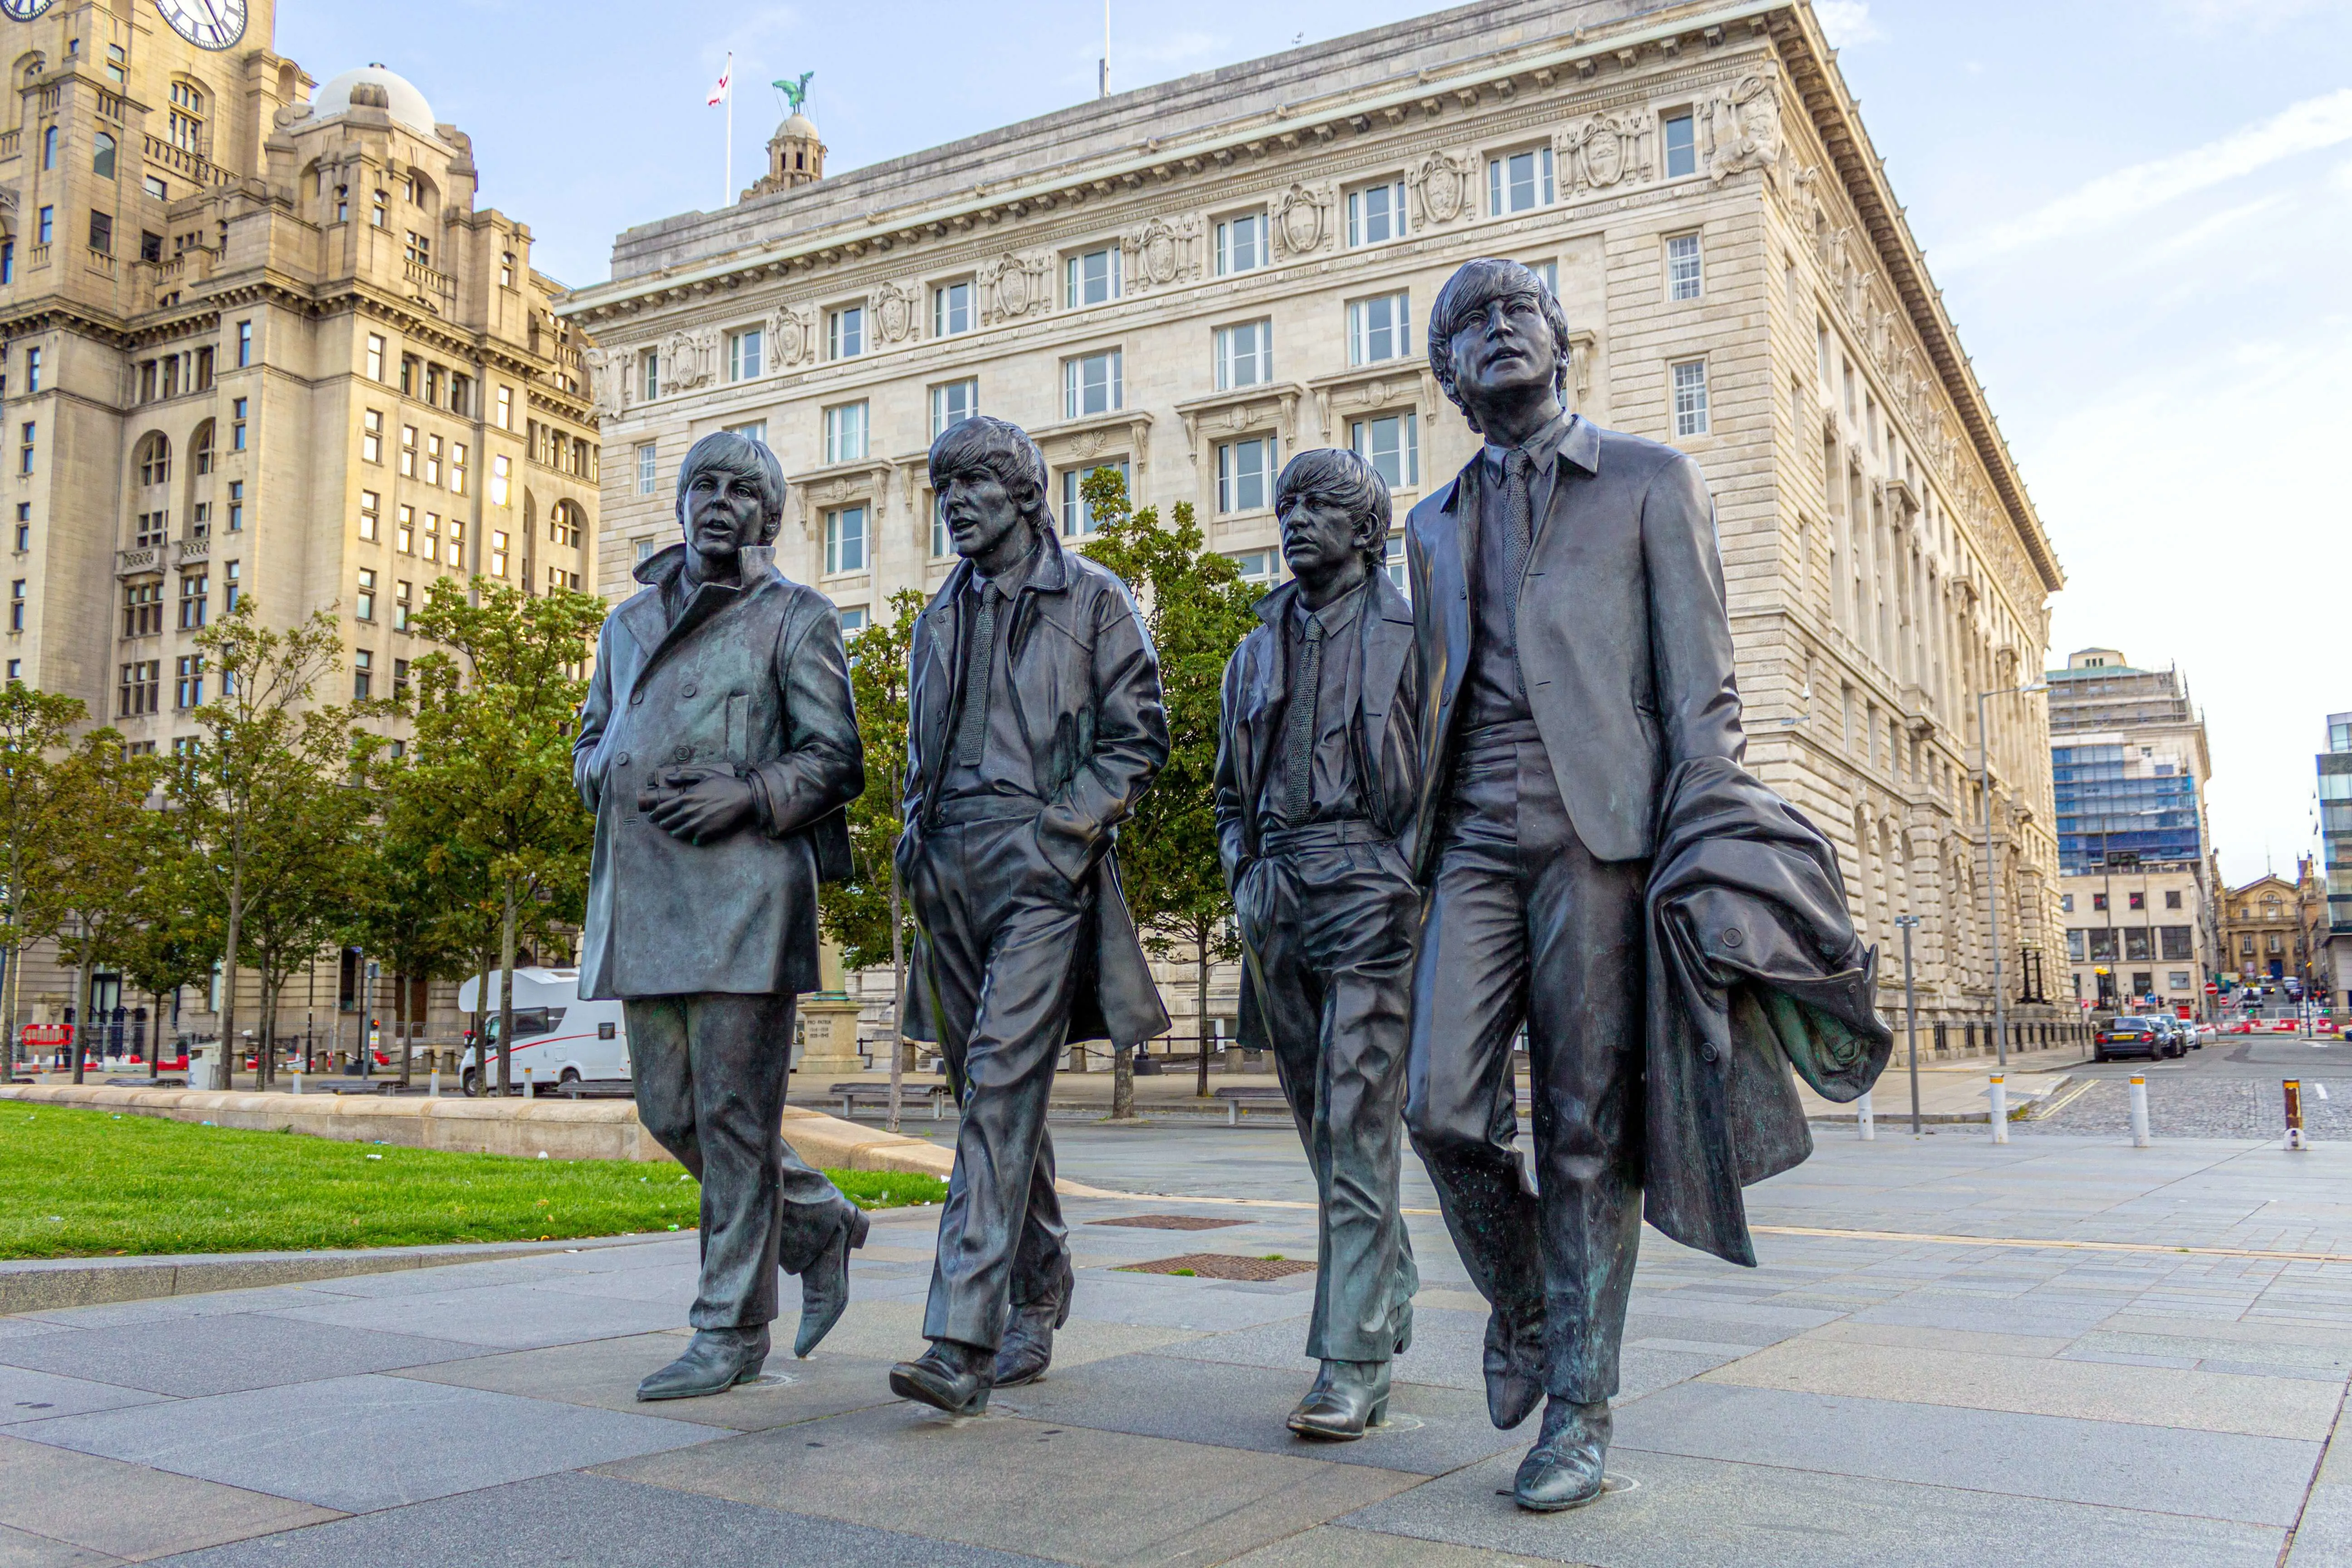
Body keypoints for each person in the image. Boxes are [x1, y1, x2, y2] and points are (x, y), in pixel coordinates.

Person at [1402, 258, 1748, 1509]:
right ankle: (1534, 1305)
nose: (1497, 333)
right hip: (1472, 839)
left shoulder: (1650, 479)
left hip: (1605, 827)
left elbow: (1703, 682)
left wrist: (1706, 836)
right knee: (1439, 1107)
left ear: (1562, 346)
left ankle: (1581, 1413)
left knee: (1587, 1130)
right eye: (1469, 327)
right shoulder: (1428, 523)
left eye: (1517, 314)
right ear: (1446, 376)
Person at [573, 429, 870, 1401]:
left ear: (771, 517)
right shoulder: (624, 624)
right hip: (646, 889)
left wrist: (747, 792)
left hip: (746, 890)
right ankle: (818, 1219)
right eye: (703, 485)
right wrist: (603, 774)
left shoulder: (798, 616)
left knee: (736, 1117)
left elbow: (836, 758)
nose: (718, 502)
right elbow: (591, 736)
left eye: (743, 492)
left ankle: (730, 1328)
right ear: (681, 503)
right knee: (669, 1111)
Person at [890, 416, 1169, 1416]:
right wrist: (913, 845)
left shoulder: (1093, 600)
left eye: (971, 482)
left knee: (1005, 1088)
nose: (954, 500)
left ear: (1022, 493)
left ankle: (960, 1337)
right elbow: (917, 758)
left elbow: (1140, 736)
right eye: (942, 486)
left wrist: (1067, 833)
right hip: (948, 875)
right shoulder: (935, 619)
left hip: (1041, 865)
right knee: (989, 1100)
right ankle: (1041, 1286)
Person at [1214, 447, 1422, 1439]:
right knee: (1320, 1125)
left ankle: (1352, 1360)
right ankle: (1387, 1279)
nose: (1295, 519)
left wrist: (1403, 873)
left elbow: (1452, 772)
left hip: (1372, 889)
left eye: (1323, 506)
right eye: (1288, 504)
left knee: (1354, 1119)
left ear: (1368, 530)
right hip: (1277, 894)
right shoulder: (1253, 648)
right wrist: (1242, 873)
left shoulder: (1417, 633)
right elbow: (1227, 791)